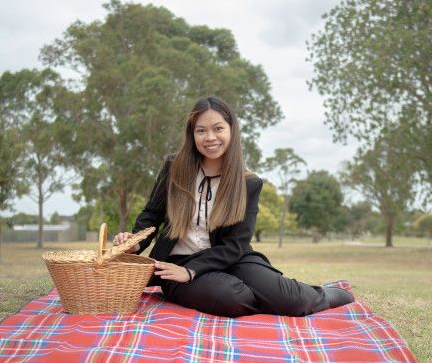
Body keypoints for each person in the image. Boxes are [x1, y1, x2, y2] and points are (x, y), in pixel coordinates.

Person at [113, 95, 354, 318]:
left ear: (231, 130)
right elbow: (152, 214)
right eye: (201, 131)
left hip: (231, 258)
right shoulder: (174, 167)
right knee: (234, 298)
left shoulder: (248, 182)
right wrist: (136, 242)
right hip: (178, 265)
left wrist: (195, 271)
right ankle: (259, 297)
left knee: (295, 302)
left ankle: (323, 293)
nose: (210, 137)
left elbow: (236, 244)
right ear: (192, 134)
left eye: (218, 128)